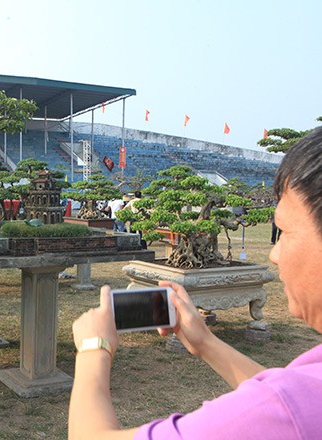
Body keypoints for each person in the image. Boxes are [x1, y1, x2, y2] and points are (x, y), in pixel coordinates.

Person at [68, 127, 322, 439]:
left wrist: (94, 348)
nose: (274, 254)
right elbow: (288, 401)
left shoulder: (283, 408)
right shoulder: (304, 389)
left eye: (284, 231)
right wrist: (204, 342)